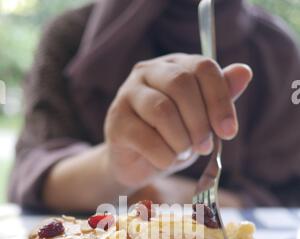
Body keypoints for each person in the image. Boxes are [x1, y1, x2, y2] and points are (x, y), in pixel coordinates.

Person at [8, 0, 300, 213]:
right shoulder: (73, 36)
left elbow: (288, 193)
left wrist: (174, 193)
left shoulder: (279, 53)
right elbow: (34, 175)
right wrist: (115, 166)